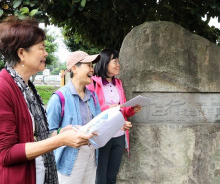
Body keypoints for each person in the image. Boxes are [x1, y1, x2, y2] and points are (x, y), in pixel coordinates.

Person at [0, 16, 93, 184]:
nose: (46, 53)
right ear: (21, 53)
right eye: (41, 48)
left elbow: (34, 135)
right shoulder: (3, 88)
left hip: (41, 174)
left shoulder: (28, 87)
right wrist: (60, 141)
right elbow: (6, 153)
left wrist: (59, 134)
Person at [86, 49, 142, 184]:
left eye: (118, 62)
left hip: (119, 134)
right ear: (105, 63)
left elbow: (122, 110)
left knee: (112, 177)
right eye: (115, 61)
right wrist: (108, 109)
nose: (118, 65)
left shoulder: (118, 83)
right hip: (102, 135)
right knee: (100, 177)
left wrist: (132, 109)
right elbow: (90, 110)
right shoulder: (92, 83)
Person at [46, 51, 101, 184]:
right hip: (69, 158)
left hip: (92, 154)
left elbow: (99, 122)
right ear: (74, 69)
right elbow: (48, 133)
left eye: (92, 65)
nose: (92, 69)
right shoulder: (59, 98)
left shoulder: (93, 96)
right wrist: (62, 133)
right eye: (88, 65)